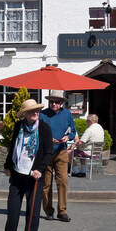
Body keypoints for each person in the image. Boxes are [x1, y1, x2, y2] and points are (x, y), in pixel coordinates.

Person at [1, 98, 54, 231]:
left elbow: (48, 152)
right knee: (13, 207)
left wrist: (40, 169)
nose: (35, 112)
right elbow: (13, 147)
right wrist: (7, 165)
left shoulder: (44, 128)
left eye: (37, 110)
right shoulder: (19, 126)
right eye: (32, 111)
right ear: (24, 114)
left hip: (34, 175)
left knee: (33, 210)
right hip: (18, 173)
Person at [39, 90, 77, 222]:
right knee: (46, 184)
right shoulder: (43, 114)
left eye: (56, 102)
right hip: (46, 152)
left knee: (63, 182)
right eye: (51, 101)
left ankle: (62, 211)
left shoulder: (67, 114)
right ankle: (48, 210)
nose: (53, 104)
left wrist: (68, 137)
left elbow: (73, 131)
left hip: (61, 151)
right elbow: (38, 132)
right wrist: (48, 139)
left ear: (61, 103)